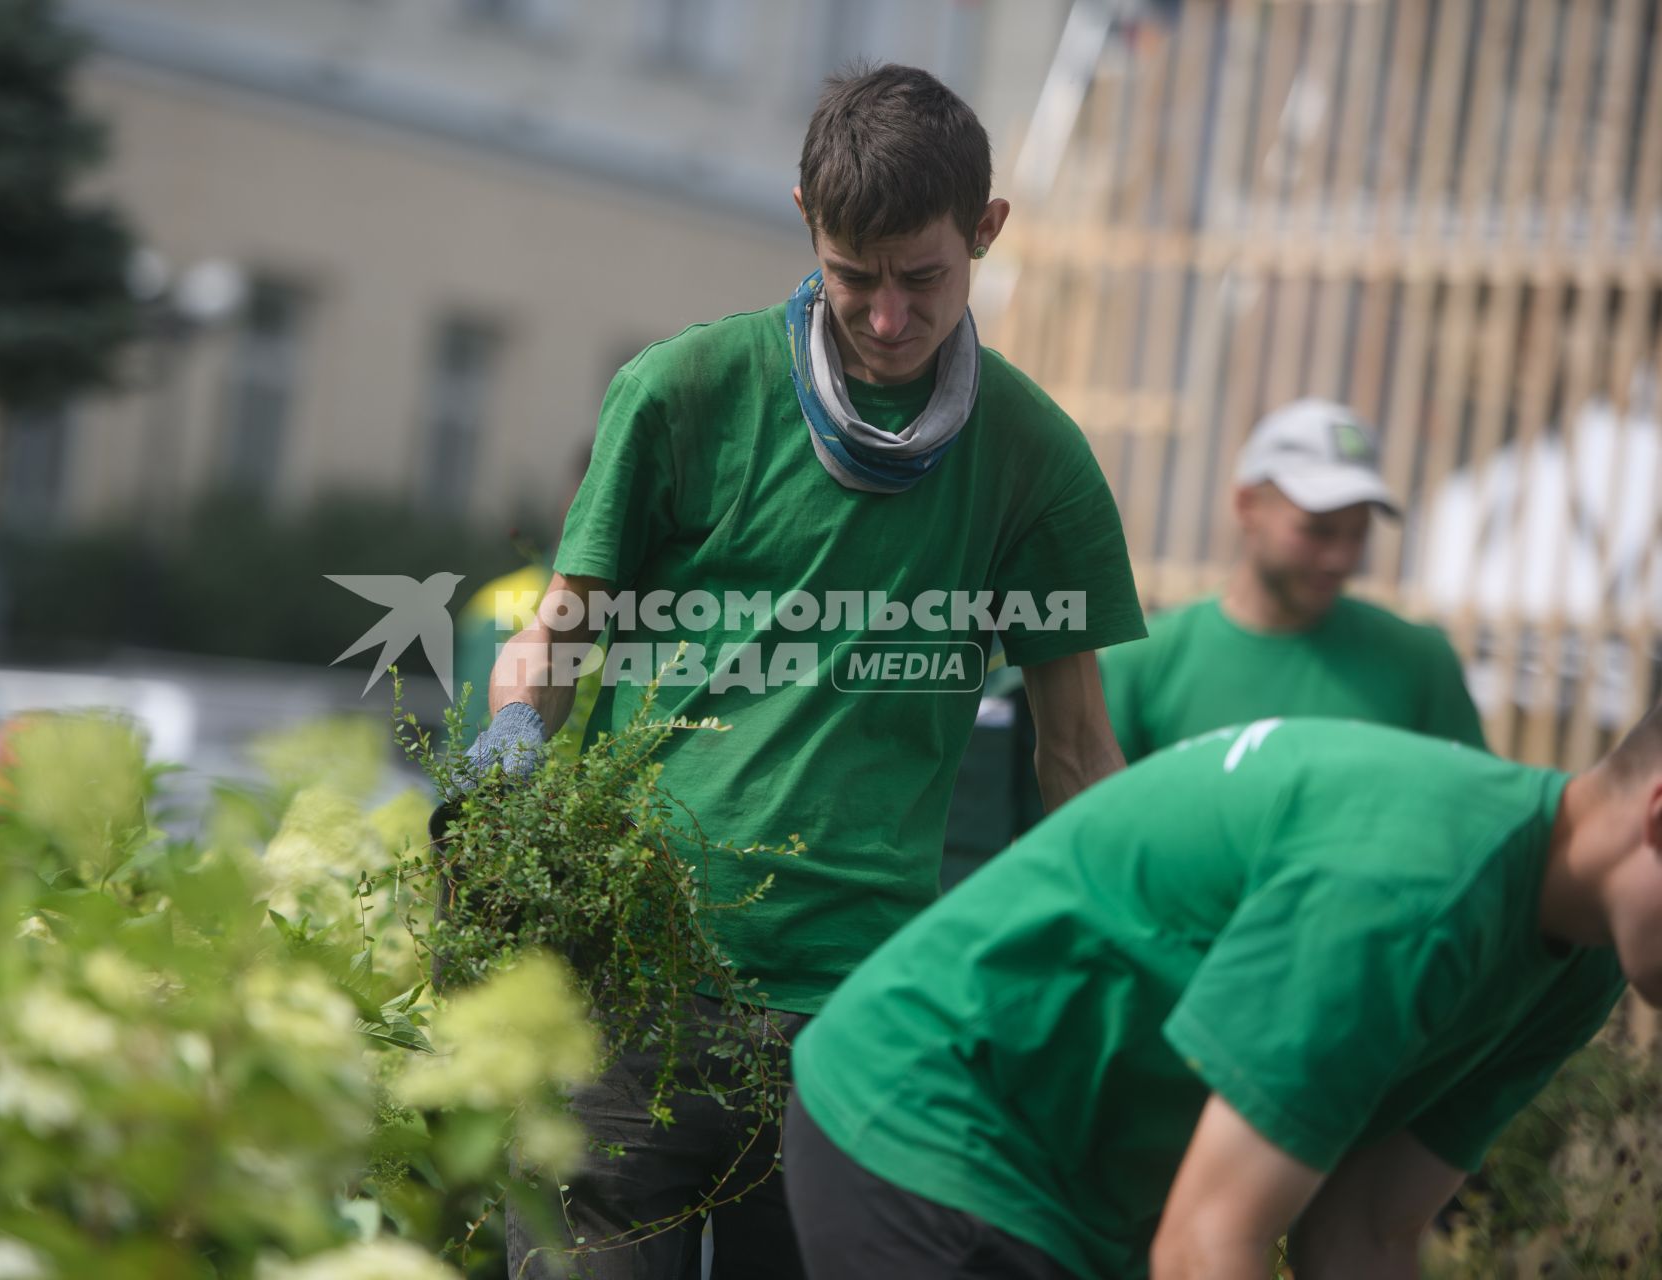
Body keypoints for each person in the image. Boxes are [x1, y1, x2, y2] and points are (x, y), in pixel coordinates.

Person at [461, 64, 1147, 1279]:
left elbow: (1078, 753)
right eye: (854, 277)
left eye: (923, 277)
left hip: (856, 1027)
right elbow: (558, 635)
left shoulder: (1035, 459)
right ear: (802, 219)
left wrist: (1128, 956)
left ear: (988, 231)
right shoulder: (686, 393)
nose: (886, 318)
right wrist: (508, 755)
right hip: (629, 995)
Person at [784, 711, 1652, 1279]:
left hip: (1075, 1196)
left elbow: (1365, 1232)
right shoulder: (1412, 886)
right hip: (934, 1123)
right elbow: (1206, 1250)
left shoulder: (1579, 964)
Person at [1102, 399, 1486, 761]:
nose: (1341, 557)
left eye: (1358, 533)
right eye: (1318, 530)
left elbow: (1473, 808)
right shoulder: (1140, 664)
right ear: (1247, 505)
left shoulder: (1419, 662)